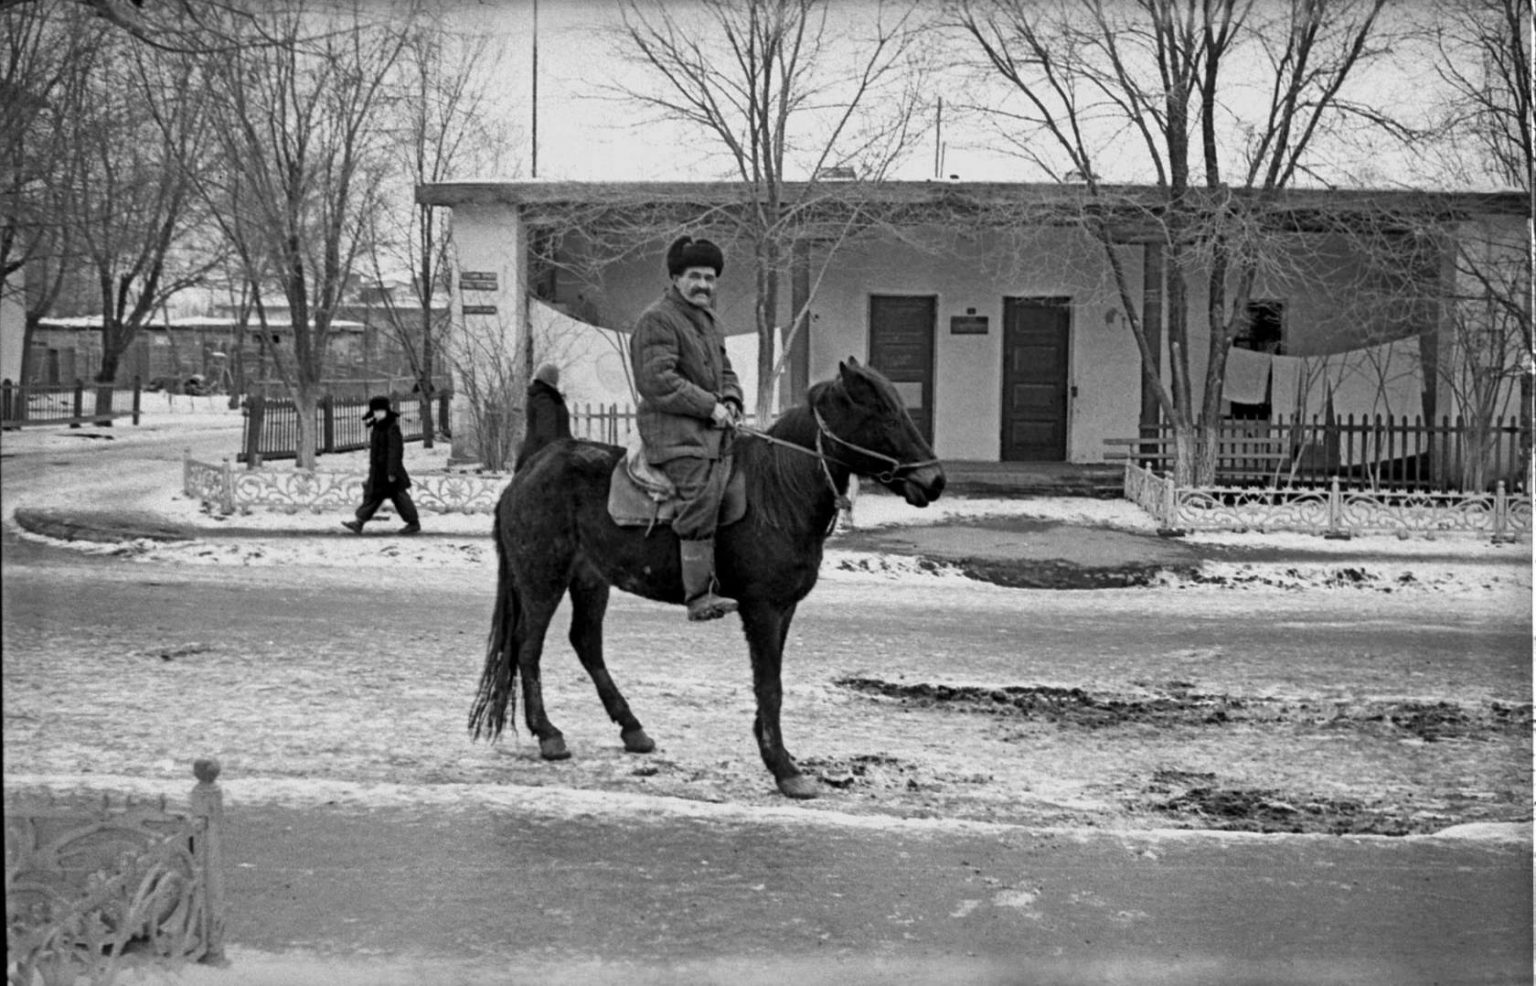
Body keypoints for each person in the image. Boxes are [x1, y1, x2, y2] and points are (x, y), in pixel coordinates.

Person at [630, 234, 744, 622]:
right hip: (673, 434)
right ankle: (698, 595)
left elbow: (725, 372)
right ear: (676, 279)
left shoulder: (711, 322)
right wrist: (708, 406)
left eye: (710, 278)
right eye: (694, 276)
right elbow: (657, 380)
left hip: (708, 429)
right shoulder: (657, 319)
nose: (703, 285)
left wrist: (730, 400)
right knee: (702, 490)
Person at [342, 396, 421, 535]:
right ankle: (359, 522)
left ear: (386, 411)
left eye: (380, 411)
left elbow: (395, 450)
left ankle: (413, 523)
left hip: (389, 471)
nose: (377, 414)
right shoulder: (378, 427)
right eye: (375, 411)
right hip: (379, 471)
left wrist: (392, 472)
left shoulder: (391, 427)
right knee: (374, 496)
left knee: (399, 497)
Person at [515, 363, 572, 470]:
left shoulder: (551, 396)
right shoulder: (543, 397)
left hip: (553, 452)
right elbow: (546, 431)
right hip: (541, 456)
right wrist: (553, 458)